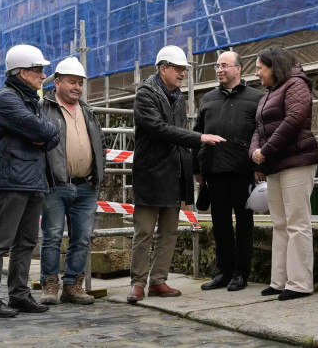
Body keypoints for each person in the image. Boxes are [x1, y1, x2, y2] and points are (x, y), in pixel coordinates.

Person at [126, 45, 225, 304]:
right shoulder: (145, 95)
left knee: (169, 232)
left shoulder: (177, 96)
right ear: (163, 69)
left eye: (184, 69)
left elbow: (177, 133)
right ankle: (137, 283)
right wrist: (199, 138)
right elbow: (160, 129)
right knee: (144, 231)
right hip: (150, 174)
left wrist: (192, 169)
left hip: (174, 173)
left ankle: (158, 281)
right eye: (178, 69)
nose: (183, 74)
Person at [0, 44, 60, 318]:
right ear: (22, 72)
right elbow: (42, 129)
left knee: (25, 242)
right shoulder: (7, 99)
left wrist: (42, 134)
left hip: (31, 179)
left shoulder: (27, 100)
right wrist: (40, 134)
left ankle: (19, 295)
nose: (42, 74)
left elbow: (52, 134)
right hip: (11, 180)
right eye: (38, 70)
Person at [249, 46, 318, 301]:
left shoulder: (296, 84)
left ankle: (300, 283)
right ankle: (279, 281)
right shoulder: (270, 92)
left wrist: (265, 150)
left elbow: (295, 118)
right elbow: (258, 127)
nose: (257, 73)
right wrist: (255, 152)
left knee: (297, 223)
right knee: (279, 223)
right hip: (275, 163)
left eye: (259, 68)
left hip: (296, 161)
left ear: (273, 66)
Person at [38, 57, 106, 305]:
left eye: (80, 83)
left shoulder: (88, 111)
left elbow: (100, 144)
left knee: (82, 238)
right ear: (57, 83)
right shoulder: (43, 108)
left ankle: (72, 286)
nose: (77, 87)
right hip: (56, 185)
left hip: (86, 185)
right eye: (71, 82)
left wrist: (99, 175)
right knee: (52, 236)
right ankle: (49, 285)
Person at [193, 51, 263, 292]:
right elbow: (197, 132)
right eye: (217, 66)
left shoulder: (256, 98)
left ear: (238, 69)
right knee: (220, 222)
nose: (219, 69)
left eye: (224, 65)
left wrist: (258, 168)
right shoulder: (208, 98)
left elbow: (261, 134)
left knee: (244, 223)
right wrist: (197, 169)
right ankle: (224, 272)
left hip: (243, 171)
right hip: (214, 169)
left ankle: (241, 273)